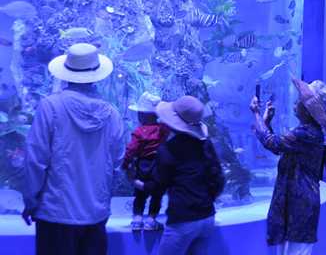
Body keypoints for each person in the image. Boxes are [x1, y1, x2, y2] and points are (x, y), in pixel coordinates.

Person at [22, 43, 124, 255]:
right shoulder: (112, 114)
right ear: (97, 75)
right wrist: (102, 202)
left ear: (66, 73)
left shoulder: (51, 106)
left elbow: (36, 159)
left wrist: (31, 201)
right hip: (95, 215)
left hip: (55, 213)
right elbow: (116, 164)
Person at [251, 77, 326, 255]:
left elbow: (271, 143)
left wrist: (257, 114)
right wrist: (267, 123)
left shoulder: (306, 133)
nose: (297, 102)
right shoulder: (305, 132)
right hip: (293, 200)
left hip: (300, 203)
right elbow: (279, 147)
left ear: (308, 109)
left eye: (301, 100)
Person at [135, 95, 224, 255]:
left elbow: (158, 186)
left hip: (182, 221)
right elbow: (218, 179)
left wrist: (139, 184)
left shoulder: (168, 150)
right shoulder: (206, 144)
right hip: (207, 217)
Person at [122, 92, 169, 231]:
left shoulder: (138, 132)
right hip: (159, 165)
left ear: (142, 115)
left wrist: (125, 164)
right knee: (157, 193)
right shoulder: (163, 129)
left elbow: (131, 149)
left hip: (142, 165)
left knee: (140, 193)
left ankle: (137, 219)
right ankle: (151, 219)